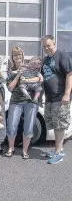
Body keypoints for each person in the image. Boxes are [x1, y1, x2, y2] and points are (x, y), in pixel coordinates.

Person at [5, 47, 42, 159]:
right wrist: (18, 75)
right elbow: (10, 88)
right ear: (12, 57)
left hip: (31, 101)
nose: (18, 57)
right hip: (16, 101)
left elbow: (39, 79)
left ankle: (25, 151)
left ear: (23, 55)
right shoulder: (10, 71)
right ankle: (11, 148)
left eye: (20, 54)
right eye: (15, 55)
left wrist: (27, 80)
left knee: (29, 126)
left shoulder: (30, 66)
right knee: (11, 125)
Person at [41, 35, 72, 164]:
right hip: (50, 98)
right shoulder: (45, 60)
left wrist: (67, 93)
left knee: (59, 126)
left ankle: (59, 153)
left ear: (54, 44)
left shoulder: (62, 56)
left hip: (60, 97)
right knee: (54, 125)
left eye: (49, 45)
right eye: (44, 46)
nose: (47, 48)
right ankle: (58, 149)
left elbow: (69, 74)